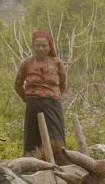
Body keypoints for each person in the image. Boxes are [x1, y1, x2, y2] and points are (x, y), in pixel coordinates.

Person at [14, 29, 67, 157]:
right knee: (32, 138)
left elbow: (63, 85)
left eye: (44, 45)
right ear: (32, 46)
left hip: (52, 105)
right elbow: (18, 84)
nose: (41, 48)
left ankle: (59, 163)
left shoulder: (57, 63)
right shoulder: (26, 64)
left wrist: (51, 96)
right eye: (37, 45)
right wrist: (29, 99)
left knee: (56, 137)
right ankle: (31, 167)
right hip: (33, 105)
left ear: (50, 47)